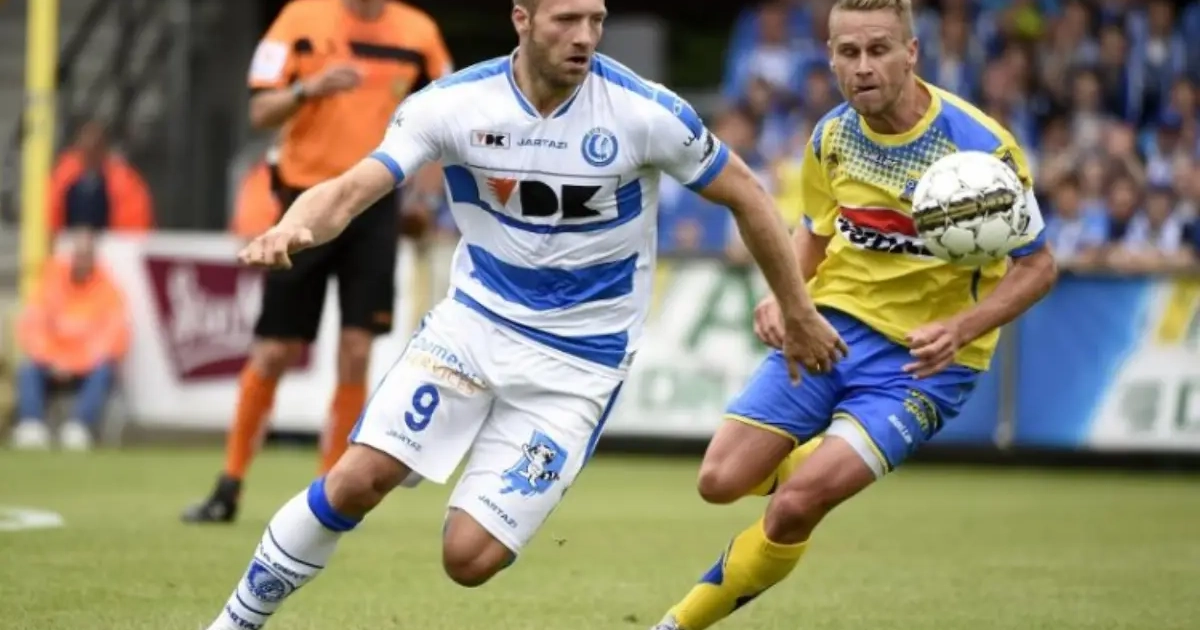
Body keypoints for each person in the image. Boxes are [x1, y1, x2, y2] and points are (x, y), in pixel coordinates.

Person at [200, 0, 847, 627]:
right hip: (472, 328)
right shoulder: (453, 105)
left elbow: (747, 194)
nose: (584, 36)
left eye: (596, 20)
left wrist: (797, 309)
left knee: (468, 559)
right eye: (566, 19)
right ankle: (232, 622)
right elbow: (349, 190)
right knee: (356, 480)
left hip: (579, 362)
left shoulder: (644, 112)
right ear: (522, 19)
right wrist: (291, 227)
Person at [648, 1, 1059, 629]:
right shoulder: (833, 137)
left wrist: (961, 329)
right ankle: (815, 457)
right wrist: (786, 298)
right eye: (848, 52)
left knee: (795, 507)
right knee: (720, 481)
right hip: (831, 331)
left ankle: (676, 624)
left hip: (924, 366)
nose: (863, 67)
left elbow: (1039, 266)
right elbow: (815, 231)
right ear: (832, 58)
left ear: (911, 53)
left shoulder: (980, 147)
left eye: (878, 50)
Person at [182, 0, 453, 523]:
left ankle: (329, 495)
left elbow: (448, 122)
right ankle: (229, 485)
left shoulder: (420, 33)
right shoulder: (299, 20)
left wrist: (425, 200)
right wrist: (308, 89)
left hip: (374, 208)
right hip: (303, 204)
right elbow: (260, 111)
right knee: (275, 351)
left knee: (356, 350)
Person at [10, 230, 129, 451]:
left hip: (86, 367)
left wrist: (73, 363)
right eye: (78, 255)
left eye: (86, 255)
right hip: (52, 363)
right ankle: (31, 425)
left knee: (103, 370)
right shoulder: (50, 285)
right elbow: (32, 327)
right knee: (28, 369)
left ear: (93, 258)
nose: (81, 261)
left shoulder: (108, 291)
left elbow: (113, 338)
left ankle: (79, 427)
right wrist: (53, 359)